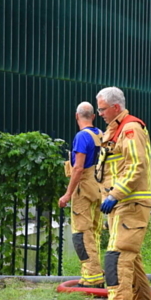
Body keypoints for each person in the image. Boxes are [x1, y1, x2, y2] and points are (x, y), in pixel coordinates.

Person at [95, 87, 151, 300]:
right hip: (121, 204)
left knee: (118, 255)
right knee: (131, 255)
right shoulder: (115, 130)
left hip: (129, 203)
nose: (100, 113)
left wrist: (115, 195)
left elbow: (136, 166)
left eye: (102, 109)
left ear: (116, 107)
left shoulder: (130, 129)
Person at [58, 102, 104, 287]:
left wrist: (68, 194)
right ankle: (97, 274)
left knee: (81, 233)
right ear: (93, 116)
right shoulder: (100, 134)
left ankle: (91, 277)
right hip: (99, 188)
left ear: (77, 116)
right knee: (95, 232)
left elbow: (78, 168)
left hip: (83, 190)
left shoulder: (81, 137)